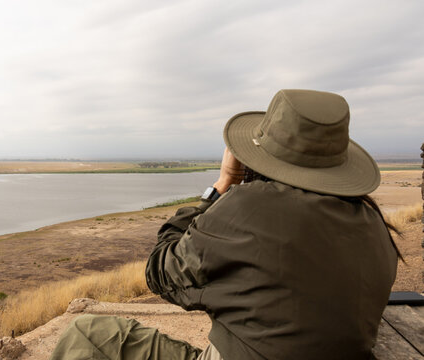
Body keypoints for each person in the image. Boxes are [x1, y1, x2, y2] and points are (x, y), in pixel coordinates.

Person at [50, 89, 400, 360]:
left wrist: (222, 185)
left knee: (85, 333)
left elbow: (159, 273)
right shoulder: (372, 223)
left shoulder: (248, 207)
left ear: (259, 155)